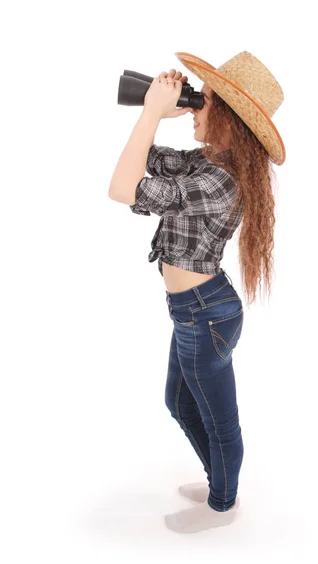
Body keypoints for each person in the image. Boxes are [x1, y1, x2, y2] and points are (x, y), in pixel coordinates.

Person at [108, 51, 286, 533]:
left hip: (207, 315)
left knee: (219, 419)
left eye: (203, 103)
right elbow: (143, 158)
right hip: (192, 311)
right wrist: (158, 109)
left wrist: (151, 114)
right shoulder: (211, 161)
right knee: (180, 402)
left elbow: (123, 188)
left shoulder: (218, 183)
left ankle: (223, 503)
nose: (194, 110)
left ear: (227, 117)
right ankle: (217, 479)